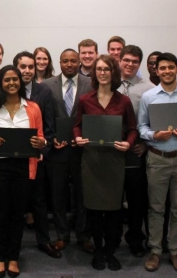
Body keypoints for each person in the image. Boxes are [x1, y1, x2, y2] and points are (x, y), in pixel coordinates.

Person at [137, 52, 177, 273]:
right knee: (156, 208)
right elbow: (141, 127)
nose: (166, 71)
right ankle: (155, 251)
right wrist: (154, 136)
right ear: (157, 71)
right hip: (157, 159)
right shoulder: (149, 97)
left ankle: (175, 252)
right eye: (162, 68)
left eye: (170, 67)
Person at [0, 65, 46, 277]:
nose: (11, 83)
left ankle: (13, 257)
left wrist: (40, 142)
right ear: (1, 83)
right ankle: (0, 258)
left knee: (17, 214)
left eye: (14, 79)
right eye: (7, 80)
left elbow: (42, 137)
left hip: (23, 167)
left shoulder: (33, 108)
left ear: (20, 82)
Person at [73, 55, 137, 271]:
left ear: (113, 73)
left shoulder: (124, 101)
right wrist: (77, 138)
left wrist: (128, 144)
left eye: (106, 69)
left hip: (114, 161)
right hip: (91, 160)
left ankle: (111, 251)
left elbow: (133, 129)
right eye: (98, 69)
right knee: (93, 210)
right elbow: (76, 126)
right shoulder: (85, 100)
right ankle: (98, 251)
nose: (101, 73)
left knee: (113, 211)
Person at [43, 49, 94, 253]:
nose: (70, 64)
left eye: (74, 61)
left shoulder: (90, 84)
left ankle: (83, 235)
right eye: (65, 61)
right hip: (57, 150)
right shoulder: (47, 85)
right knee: (58, 195)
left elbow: (94, 113)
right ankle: (62, 235)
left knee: (83, 194)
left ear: (79, 61)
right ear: (60, 62)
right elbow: (46, 115)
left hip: (83, 150)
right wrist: (51, 138)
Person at [12, 52, 61, 259]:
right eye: (22, 66)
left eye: (30, 67)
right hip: (11, 157)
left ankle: (43, 241)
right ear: (16, 67)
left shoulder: (44, 91)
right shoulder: (7, 89)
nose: (27, 70)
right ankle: (11, 243)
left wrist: (43, 151)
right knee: (13, 202)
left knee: (39, 201)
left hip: (36, 157)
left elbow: (50, 127)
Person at [116, 45, 155, 258]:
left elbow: (153, 121)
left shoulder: (149, 89)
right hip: (111, 150)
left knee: (136, 200)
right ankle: (111, 237)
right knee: (112, 197)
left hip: (137, 151)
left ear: (139, 64)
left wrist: (146, 144)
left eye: (134, 61)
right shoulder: (109, 84)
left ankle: (135, 238)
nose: (129, 64)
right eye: (126, 60)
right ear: (119, 61)